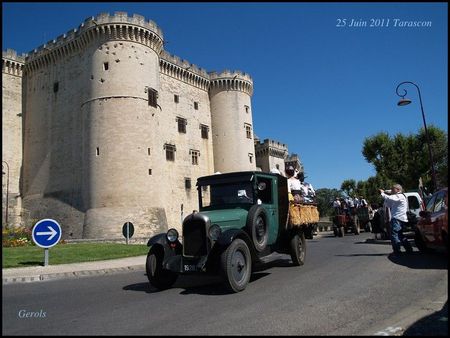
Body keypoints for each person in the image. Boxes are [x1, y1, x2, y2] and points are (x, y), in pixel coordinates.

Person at [379, 184, 413, 255]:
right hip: (398, 218)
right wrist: (385, 192)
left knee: (394, 235)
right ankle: (409, 249)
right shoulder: (397, 197)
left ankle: (397, 251)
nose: (391, 190)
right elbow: (388, 204)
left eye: (393, 189)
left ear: (398, 190)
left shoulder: (399, 196)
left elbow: (389, 198)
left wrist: (382, 193)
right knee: (400, 235)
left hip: (397, 218)